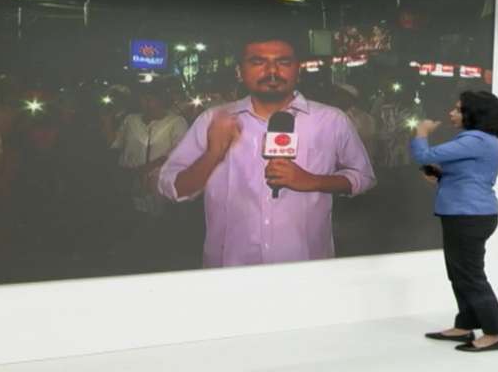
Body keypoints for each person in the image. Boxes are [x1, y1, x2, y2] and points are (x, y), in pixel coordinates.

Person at [158, 30, 376, 268]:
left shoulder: (331, 120)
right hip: (230, 273)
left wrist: (314, 181)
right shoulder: (213, 120)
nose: (272, 71)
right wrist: (212, 156)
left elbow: (363, 177)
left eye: (283, 62)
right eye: (258, 62)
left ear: (298, 70)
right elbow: (173, 189)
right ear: (240, 72)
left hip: (307, 271)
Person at [409, 90, 498, 352]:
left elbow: (425, 156)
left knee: (470, 276)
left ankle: (495, 332)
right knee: (459, 274)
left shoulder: (475, 139)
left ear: (473, 114)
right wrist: (441, 176)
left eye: (458, 109)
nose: (451, 113)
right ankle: (465, 325)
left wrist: (421, 133)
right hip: (465, 213)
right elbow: (465, 175)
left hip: (469, 215)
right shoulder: (480, 141)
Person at [108, 82, 189, 218]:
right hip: (129, 181)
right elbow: (116, 143)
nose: (145, 103)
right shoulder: (131, 120)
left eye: (149, 99)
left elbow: (178, 153)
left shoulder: (176, 122)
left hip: (158, 186)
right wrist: (107, 121)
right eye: (142, 99)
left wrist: (146, 169)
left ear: (161, 100)